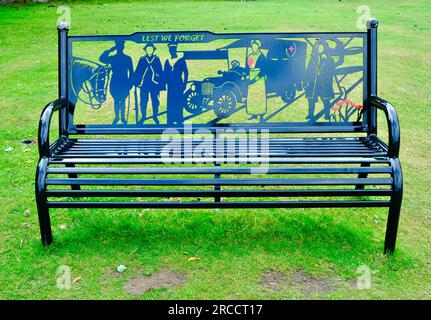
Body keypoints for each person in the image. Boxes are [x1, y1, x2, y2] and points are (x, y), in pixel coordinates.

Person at [99, 40, 133, 125]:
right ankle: (117, 117)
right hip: (115, 83)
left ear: (123, 47)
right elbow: (101, 59)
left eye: (120, 47)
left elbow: (131, 72)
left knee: (122, 100)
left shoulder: (128, 58)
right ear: (117, 48)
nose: (119, 48)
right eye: (118, 47)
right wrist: (109, 51)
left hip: (124, 82)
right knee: (117, 100)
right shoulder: (113, 58)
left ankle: (122, 117)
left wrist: (130, 83)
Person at [304, 41, 338, 121]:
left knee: (326, 100)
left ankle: (327, 115)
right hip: (313, 83)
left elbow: (331, 72)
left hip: (324, 83)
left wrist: (326, 78)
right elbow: (308, 70)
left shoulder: (330, 60)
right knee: (311, 100)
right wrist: (305, 81)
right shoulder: (313, 59)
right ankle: (310, 114)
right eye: (318, 47)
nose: (320, 49)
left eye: (322, 47)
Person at [133, 43, 163, 124]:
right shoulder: (142, 59)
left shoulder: (156, 59)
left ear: (153, 50)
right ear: (145, 50)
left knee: (155, 101)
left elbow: (160, 71)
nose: (149, 50)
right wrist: (135, 81)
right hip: (144, 84)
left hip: (154, 84)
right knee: (143, 101)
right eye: (148, 49)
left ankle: (155, 116)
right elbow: (138, 71)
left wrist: (160, 82)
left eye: (151, 49)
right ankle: (143, 116)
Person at [163, 42, 188, 125]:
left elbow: (186, 72)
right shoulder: (167, 61)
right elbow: (165, 73)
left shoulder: (181, 60)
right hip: (170, 85)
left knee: (178, 101)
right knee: (170, 101)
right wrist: (163, 84)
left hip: (178, 84)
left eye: (173, 49)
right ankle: (170, 119)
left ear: (176, 50)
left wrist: (184, 84)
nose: (172, 51)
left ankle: (179, 119)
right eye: (170, 50)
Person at [246, 39, 267, 123]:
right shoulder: (250, 56)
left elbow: (264, 69)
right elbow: (247, 67)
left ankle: (261, 115)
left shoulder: (262, 56)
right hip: (251, 76)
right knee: (252, 96)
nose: (254, 48)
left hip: (259, 78)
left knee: (260, 96)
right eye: (253, 46)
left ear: (259, 47)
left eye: (256, 46)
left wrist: (257, 78)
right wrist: (248, 75)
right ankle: (253, 113)